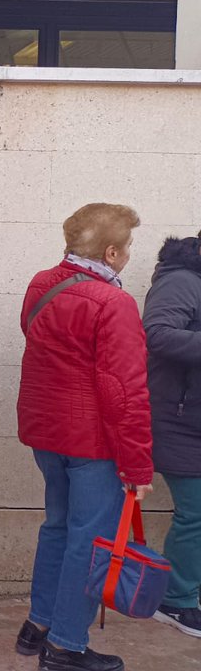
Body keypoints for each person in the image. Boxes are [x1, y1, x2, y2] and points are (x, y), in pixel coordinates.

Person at [16, 203, 153, 671]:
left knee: (57, 527)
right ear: (112, 252)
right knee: (90, 540)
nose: (130, 254)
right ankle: (67, 646)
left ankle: (38, 624)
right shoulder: (114, 303)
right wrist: (137, 468)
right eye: (128, 246)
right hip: (92, 441)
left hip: (46, 433)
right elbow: (126, 392)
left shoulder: (42, 283)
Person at [141, 232, 201, 638]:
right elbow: (156, 334)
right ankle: (176, 601)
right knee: (196, 512)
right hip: (180, 421)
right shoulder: (182, 279)